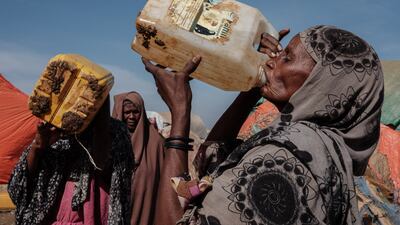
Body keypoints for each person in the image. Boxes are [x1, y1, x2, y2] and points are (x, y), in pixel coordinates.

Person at [142, 25, 384, 225]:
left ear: (321, 84)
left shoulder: (288, 158)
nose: (271, 61)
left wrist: (181, 112)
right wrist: (251, 88)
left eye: (286, 57)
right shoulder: (320, 147)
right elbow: (210, 166)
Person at [8, 96, 134, 225]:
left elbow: (114, 177)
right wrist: (38, 147)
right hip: (54, 216)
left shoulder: (115, 131)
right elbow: (17, 189)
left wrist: (101, 126)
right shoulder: (54, 128)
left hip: (95, 211)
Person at [112, 92, 165, 225]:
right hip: (112, 209)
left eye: (136, 112)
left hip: (142, 209)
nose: (131, 117)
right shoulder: (110, 140)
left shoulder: (156, 143)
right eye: (127, 112)